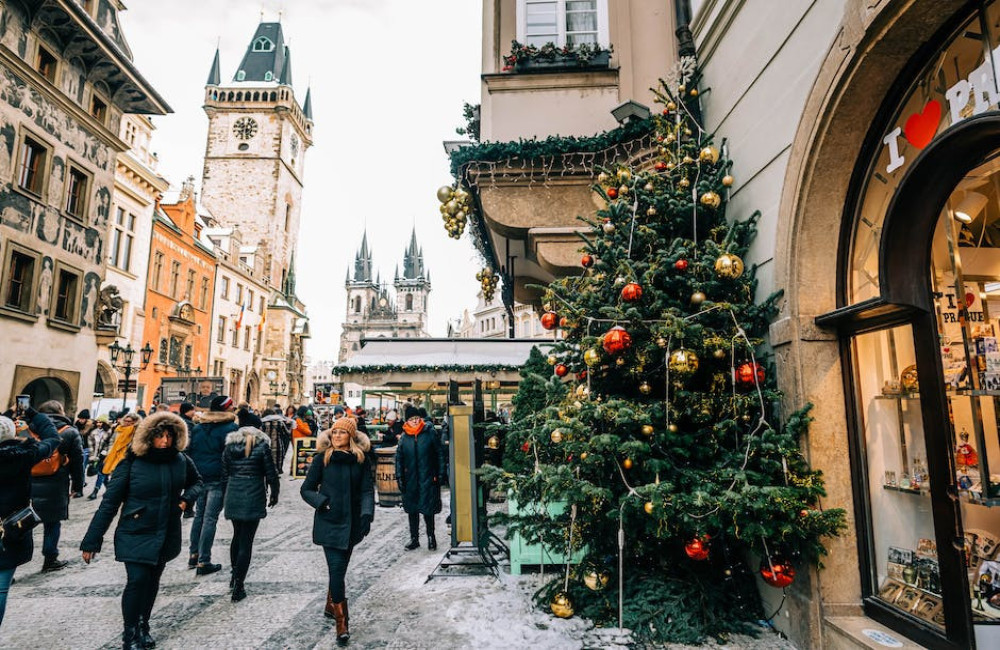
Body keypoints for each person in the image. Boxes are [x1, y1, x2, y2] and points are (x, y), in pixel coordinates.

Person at [80, 412, 202, 650]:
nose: (165, 442)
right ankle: (129, 633)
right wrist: (91, 540)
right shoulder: (132, 462)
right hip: (136, 529)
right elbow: (110, 503)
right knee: (137, 580)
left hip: (166, 529)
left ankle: (143, 625)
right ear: (149, 437)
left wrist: (186, 500)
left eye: (169, 436)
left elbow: (198, 482)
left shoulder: (180, 460)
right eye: (160, 436)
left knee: (152, 580)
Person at [300, 419, 373, 646]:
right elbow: (306, 489)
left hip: (352, 523)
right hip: (329, 521)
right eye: (335, 432)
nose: (337, 436)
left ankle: (331, 603)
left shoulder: (360, 460)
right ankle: (342, 622)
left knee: (340, 569)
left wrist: (367, 514)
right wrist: (322, 503)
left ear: (350, 436)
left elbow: (367, 490)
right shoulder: (322, 459)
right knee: (337, 570)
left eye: (342, 432)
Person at [0, 409, 61, 629]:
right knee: (1, 588)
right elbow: (53, 439)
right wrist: (34, 414)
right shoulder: (23, 455)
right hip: (9, 530)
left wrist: (6, 415)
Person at [222, 426, 279, 602]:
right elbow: (271, 473)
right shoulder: (262, 446)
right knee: (246, 540)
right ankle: (239, 584)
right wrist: (275, 493)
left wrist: (227, 493)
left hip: (234, 491)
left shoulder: (229, 448)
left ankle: (234, 574)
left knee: (237, 535)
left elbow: (224, 473)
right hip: (253, 492)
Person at [187, 395, 238, 575]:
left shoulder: (199, 427)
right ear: (226, 409)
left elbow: (191, 450)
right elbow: (232, 455)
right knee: (210, 518)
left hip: (199, 477)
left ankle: (194, 554)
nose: (234, 409)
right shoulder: (231, 428)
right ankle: (204, 561)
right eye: (231, 406)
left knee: (199, 516)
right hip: (218, 477)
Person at [32, 400, 85, 572]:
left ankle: (11, 562)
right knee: (52, 523)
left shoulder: (28, 429)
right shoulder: (69, 432)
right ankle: (50, 559)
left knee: (22, 523)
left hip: (28, 482)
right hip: (56, 483)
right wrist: (77, 485)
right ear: (61, 412)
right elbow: (78, 461)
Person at [395, 405, 446, 551]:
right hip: (410, 478)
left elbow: (439, 454)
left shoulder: (429, 433)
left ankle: (431, 537)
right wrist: (399, 476)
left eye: (417, 418)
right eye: (412, 419)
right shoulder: (404, 438)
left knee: (428, 509)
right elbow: (399, 458)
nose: (415, 421)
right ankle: (414, 539)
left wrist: (441, 473)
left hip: (428, 477)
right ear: (407, 421)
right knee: (412, 510)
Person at [101, 412, 141, 480]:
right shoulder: (119, 429)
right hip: (113, 454)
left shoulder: (137, 431)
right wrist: (110, 450)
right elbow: (112, 440)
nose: (126, 422)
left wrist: (127, 453)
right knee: (109, 475)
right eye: (125, 420)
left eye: (129, 421)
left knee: (119, 476)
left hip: (126, 457)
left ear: (134, 422)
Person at [260, 406, 292, 474]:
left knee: (266, 461)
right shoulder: (280, 423)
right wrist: (289, 425)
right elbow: (288, 433)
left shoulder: (262, 423)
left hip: (265, 445)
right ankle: (276, 473)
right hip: (277, 445)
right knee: (276, 461)